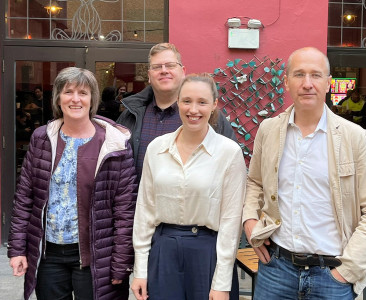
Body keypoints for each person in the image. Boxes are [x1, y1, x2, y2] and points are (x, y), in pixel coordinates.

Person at [242, 47, 366, 299]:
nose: (307, 84)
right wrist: (249, 222)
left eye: (316, 75)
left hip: (333, 275)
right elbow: (255, 182)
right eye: (299, 75)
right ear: (287, 81)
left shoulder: (355, 138)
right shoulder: (268, 130)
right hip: (276, 269)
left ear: (328, 82)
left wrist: (349, 270)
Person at [7, 67, 137, 300]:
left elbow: (125, 210)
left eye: (83, 93)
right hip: (50, 256)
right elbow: (25, 198)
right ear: (58, 97)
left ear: (92, 99)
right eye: (68, 92)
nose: (75, 99)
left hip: (95, 257)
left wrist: (121, 262)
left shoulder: (114, 144)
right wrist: (18, 249)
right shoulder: (42, 138)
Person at [131, 73, 247, 300]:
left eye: (202, 102)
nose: (193, 109)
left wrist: (222, 283)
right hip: (163, 252)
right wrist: (140, 270)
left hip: (208, 254)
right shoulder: (157, 149)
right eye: (186, 101)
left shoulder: (229, 152)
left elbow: (231, 223)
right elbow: (144, 212)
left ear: (214, 105)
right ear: (177, 102)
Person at [117, 43, 236, 180]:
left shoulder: (206, 117)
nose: (164, 70)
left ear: (183, 71)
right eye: (157, 67)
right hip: (140, 200)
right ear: (149, 75)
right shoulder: (130, 116)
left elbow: (230, 165)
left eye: (170, 65)